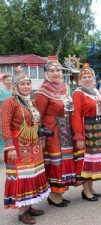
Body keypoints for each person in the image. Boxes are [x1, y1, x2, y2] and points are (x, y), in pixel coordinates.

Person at [2, 67, 50, 224]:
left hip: (32, 144)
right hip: (18, 145)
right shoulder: (10, 102)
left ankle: (29, 206)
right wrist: (9, 147)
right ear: (16, 86)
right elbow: (4, 125)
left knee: (33, 174)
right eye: (22, 84)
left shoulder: (31, 101)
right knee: (22, 177)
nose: (26, 86)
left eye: (28, 83)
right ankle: (22, 212)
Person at [34, 56, 76, 207]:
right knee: (55, 162)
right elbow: (37, 115)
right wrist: (41, 137)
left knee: (64, 160)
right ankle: (53, 194)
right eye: (52, 70)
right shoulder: (42, 91)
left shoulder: (64, 87)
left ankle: (59, 191)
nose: (56, 73)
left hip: (65, 127)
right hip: (52, 130)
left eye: (58, 70)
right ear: (46, 73)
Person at [71, 63, 101, 201]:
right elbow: (75, 115)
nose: (87, 79)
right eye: (84, 77)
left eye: (89, 76)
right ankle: (86, 190)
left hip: (98, 128)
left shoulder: (96, 91)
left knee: (94, 159)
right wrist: (79, 136)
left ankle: (91, 187)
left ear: (93, 78)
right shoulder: (78, 93)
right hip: (87, 129)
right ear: (80, 79)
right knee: (87, 160)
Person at [0, 74, 14, 159]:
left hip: (14, 115)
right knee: (2, 133)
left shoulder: (15, 91)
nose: (9, 81)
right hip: (3, 115)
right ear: (4, 82)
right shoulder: (1, 91)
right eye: (7, 80)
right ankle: (3, 152)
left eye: (10, 80)